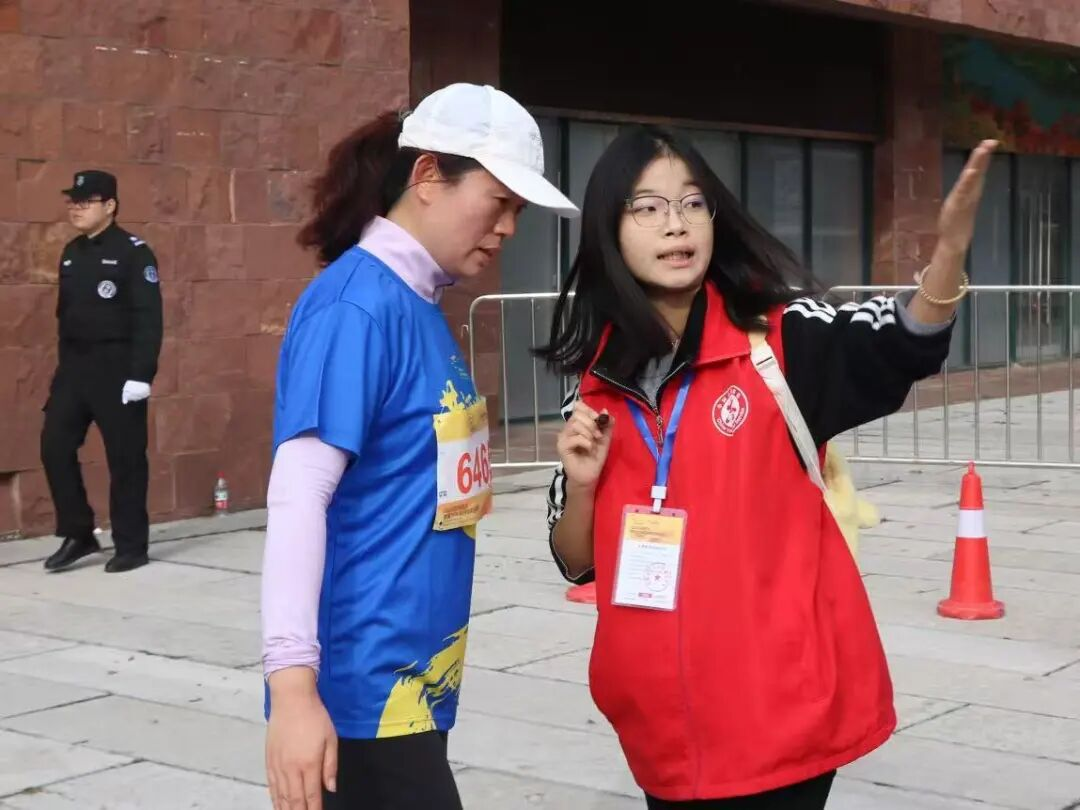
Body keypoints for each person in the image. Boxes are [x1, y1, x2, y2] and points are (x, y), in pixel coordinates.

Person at [540, 127, 996, 809]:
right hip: (660, 733)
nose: (676, 224)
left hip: (778, 722)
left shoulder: (776, 338)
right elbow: (578, 563)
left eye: (692, 203)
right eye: (649, 207)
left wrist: (948, 258)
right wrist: (581, 487)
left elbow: (900, 340)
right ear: (611, 230)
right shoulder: (597, 378)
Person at [260, 83, 578, 810]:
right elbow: (298, 494)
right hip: (362, 693)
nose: (508, 228)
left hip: (416, 685)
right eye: (499, 202)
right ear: (428, 174)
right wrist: (294, 690)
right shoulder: (355, 307)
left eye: (519, 212)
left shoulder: (420, 304)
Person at [41, 170, 163, 574]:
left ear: (109, 205)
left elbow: (149, 318)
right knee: (54, 445)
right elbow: (66, 318)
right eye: (72, 201)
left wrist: (141, 374)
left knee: (125, 459)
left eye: (85, 201)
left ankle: (131, 545)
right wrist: (63, 372)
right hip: (75, 370)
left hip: (118, 371)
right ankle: (78, 532)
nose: (75, 208)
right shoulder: (71, 252)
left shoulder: (134, 253)